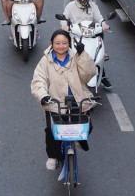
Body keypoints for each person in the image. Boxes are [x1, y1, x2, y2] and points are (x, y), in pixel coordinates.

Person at [31, 29, 96, 170]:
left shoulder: (76, 56)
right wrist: (44, 96)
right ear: (52, 44)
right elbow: (38, 81)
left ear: (69, 44)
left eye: (64, 43)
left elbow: (89, 74)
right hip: (55, 103)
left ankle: (78, 140)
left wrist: (82, 54)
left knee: (87, 126)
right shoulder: (45, 61)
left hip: (78, 101)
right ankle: (53, 156)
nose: (61, 46)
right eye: (57, 43)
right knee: (51, 130)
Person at [60, 0, 112, 89]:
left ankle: (102, 76)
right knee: (68, 55)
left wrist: (104, 24)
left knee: (97, 56)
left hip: (91, 34)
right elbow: (64, 18)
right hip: (75, 34)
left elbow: (99, 18)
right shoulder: (70, 6)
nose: (84, 0)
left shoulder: (93, 6)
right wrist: (64, 25)